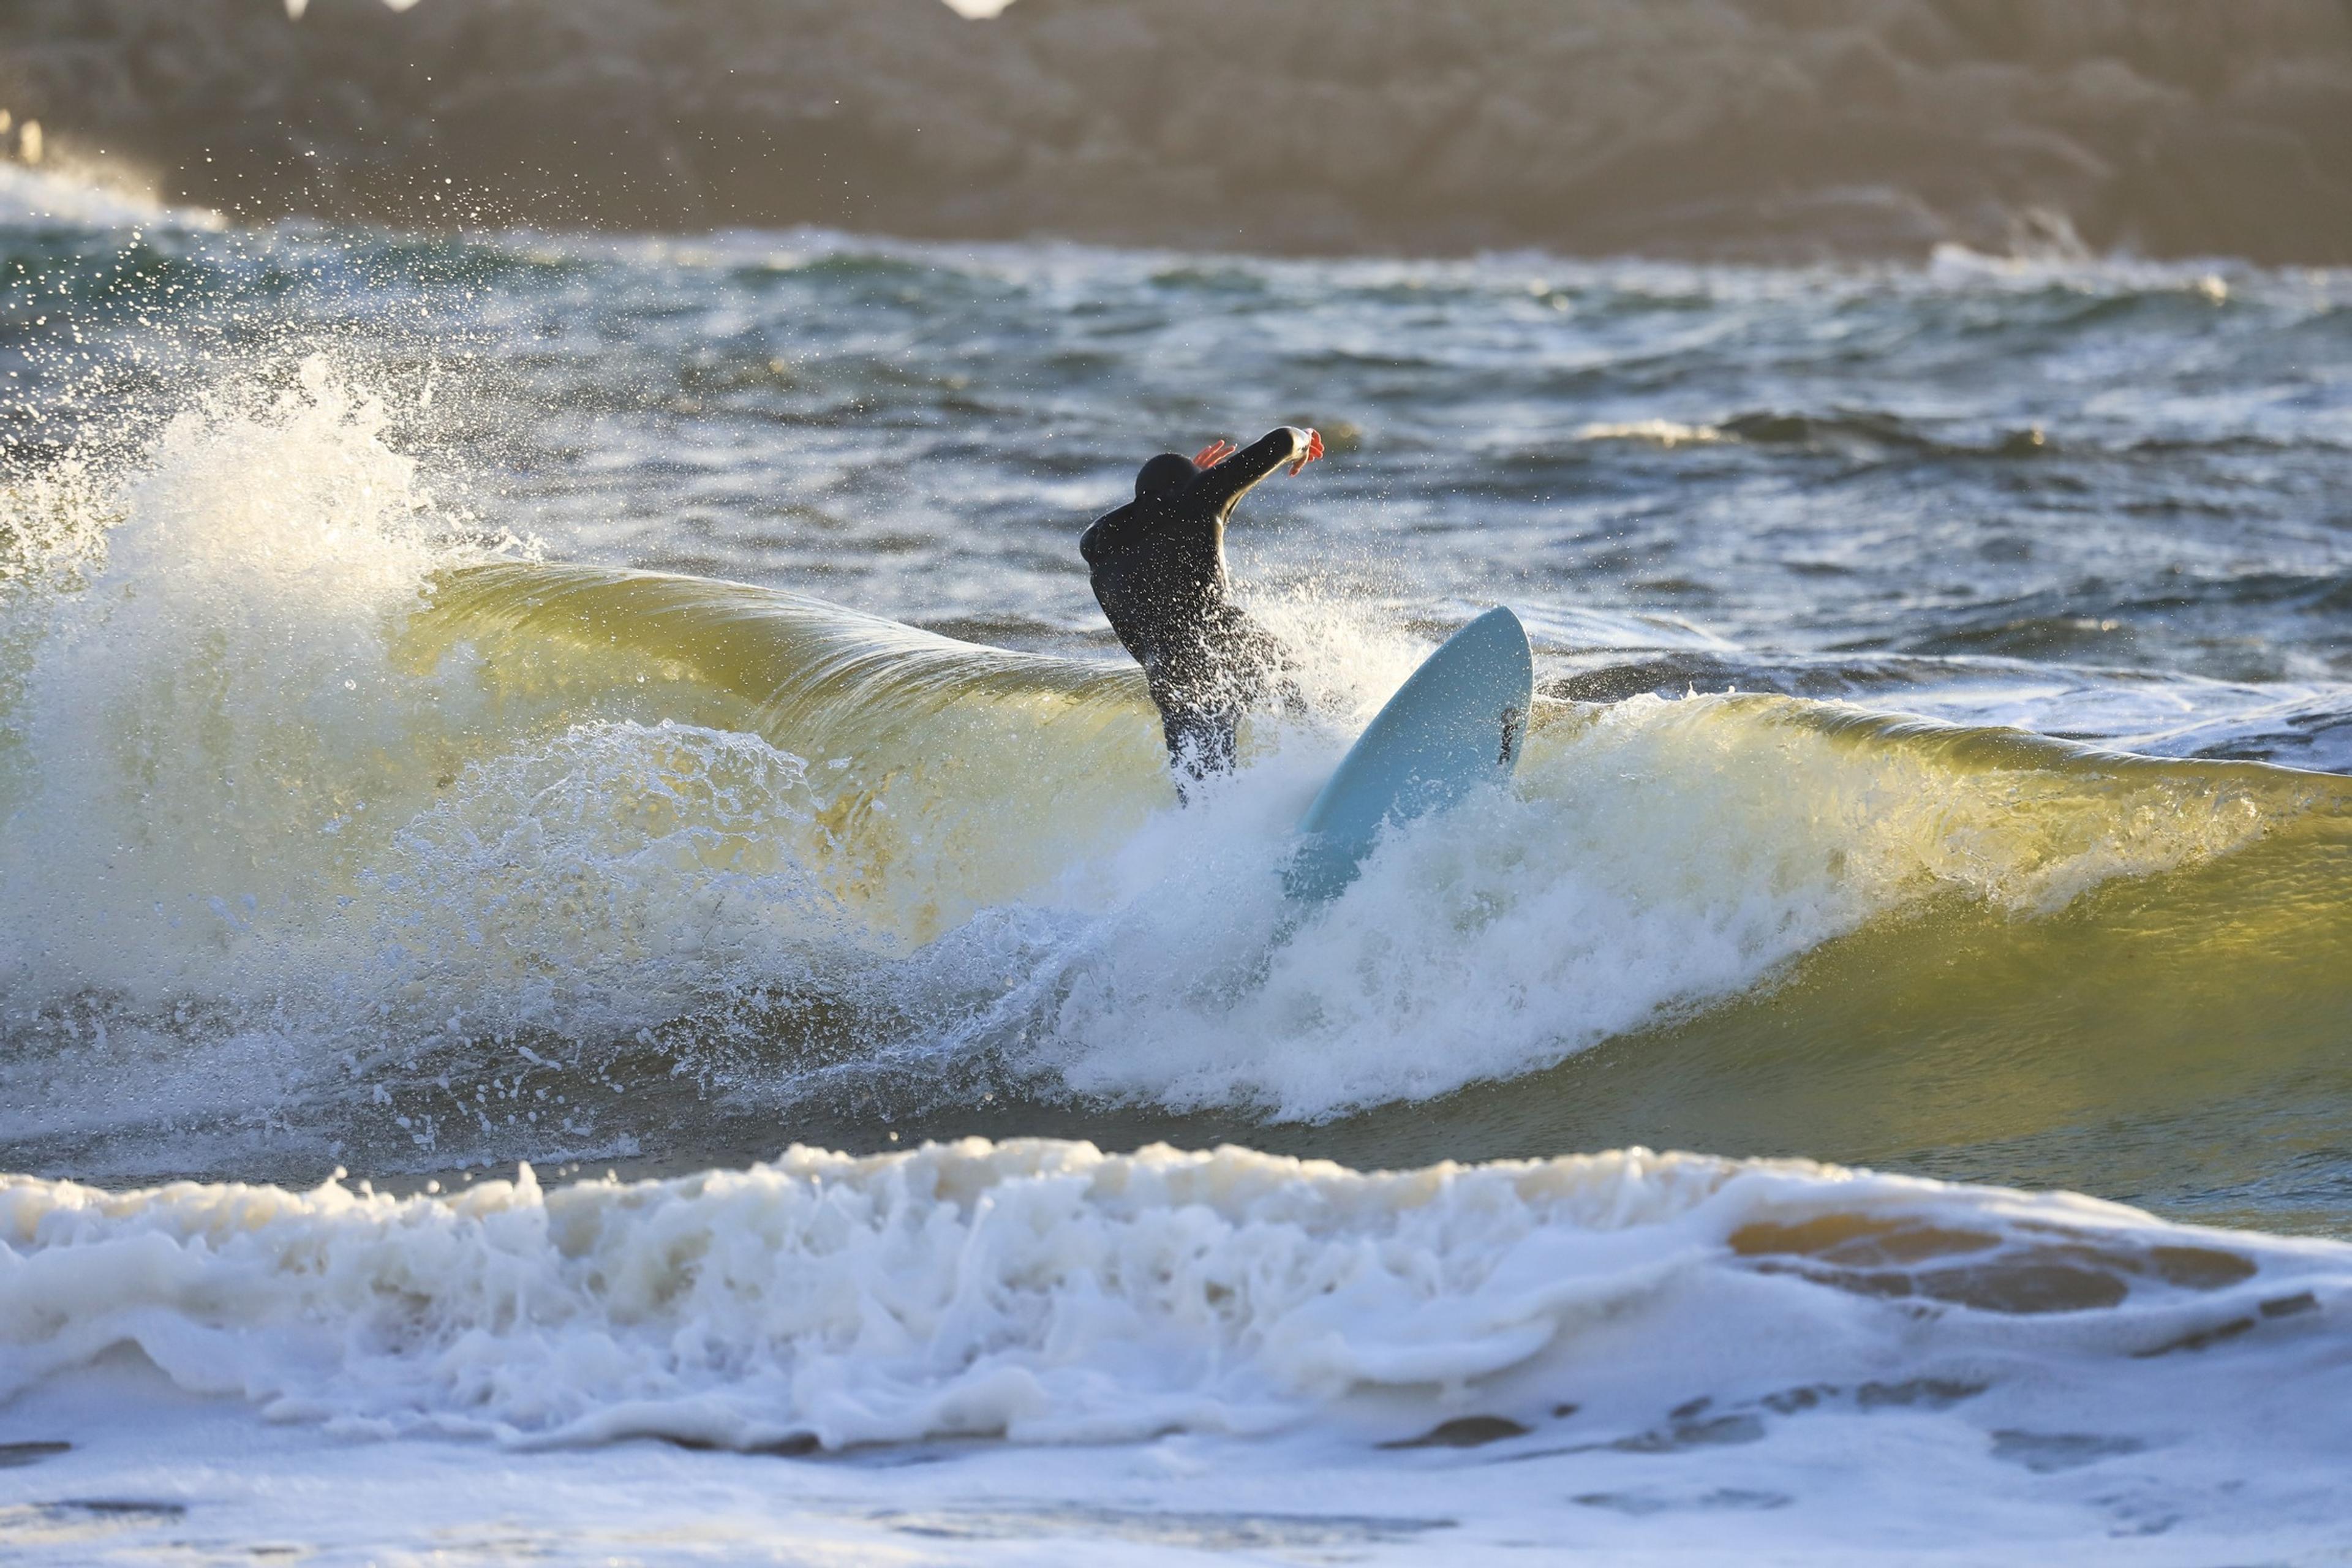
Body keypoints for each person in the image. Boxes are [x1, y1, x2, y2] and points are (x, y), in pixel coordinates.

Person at [1080, 424, 1324, 791]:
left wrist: (1187, 479)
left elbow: (1156, 524)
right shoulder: (1196, 502)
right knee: (1309, 695)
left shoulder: (1102, 557)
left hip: (1170, 677)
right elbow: (1281, 441)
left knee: (1206, 797)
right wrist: (1304, 441)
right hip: (1223, 643)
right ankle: (1338, 752)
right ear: (1186, 488)